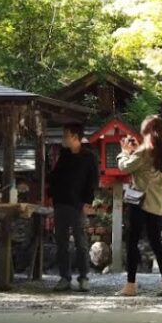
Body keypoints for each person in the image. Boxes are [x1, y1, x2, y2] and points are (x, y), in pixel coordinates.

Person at [117, 115, 162, 297]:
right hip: (156, 203)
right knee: (156, 243)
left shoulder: (144, 151)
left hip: (140, 203)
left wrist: (125, 152)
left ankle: (131, 285)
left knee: (132, 242)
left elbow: (124, 167)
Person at [47, 122, 98, 292]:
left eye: (66, 135)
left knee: (81, 242)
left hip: (78, 205)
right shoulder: (63, 155)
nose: (63, 139)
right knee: (61, 243)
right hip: (60, 203)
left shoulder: (88, 157)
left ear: (75, 137)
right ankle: (64, 277)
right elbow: (55, 177)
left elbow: (92, 181)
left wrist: (87, 202)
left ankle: (83, 276)